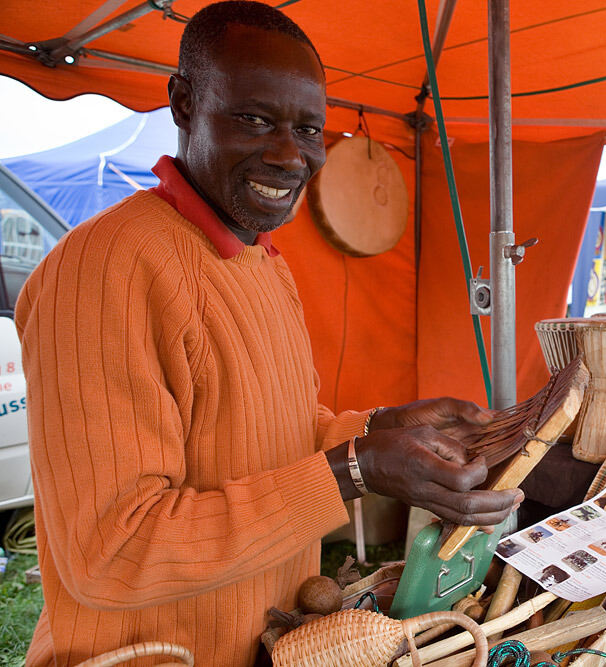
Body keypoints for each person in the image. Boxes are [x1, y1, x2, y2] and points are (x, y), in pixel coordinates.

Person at [14, 3, 521, 665]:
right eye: (255, 119)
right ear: (184, 103)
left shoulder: (261, 263)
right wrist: (356, 470)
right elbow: (112, 551)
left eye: (309, 129)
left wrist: (383, 430)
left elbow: (263, 433)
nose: (290, 155)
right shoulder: (101, 269)